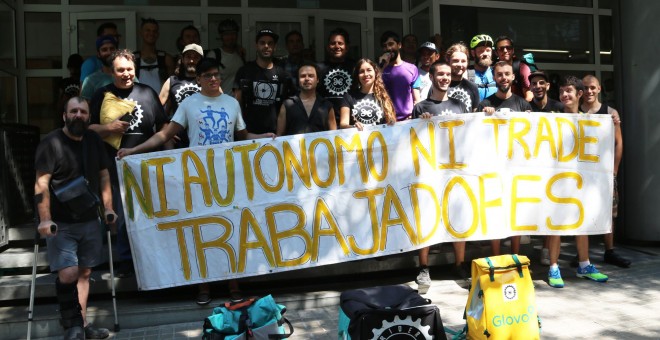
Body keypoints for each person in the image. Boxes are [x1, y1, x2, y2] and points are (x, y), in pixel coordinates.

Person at [117, 58, 275, 304]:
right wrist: (133, 151)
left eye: (216, 74)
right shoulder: (189, 104)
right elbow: (164, 134)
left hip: (228, 179)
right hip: (198, 180)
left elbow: (243, 136)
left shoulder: (232, 103)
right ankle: (204, 287)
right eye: (208, 75)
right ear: (199, 79)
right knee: (201, 230)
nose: (213, 79)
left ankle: (233, 284)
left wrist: (264, 137)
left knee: (231, 229)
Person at [35, 96, 116, 340]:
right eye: (73, 111)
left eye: (82, 111)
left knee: (84, 273)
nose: (78, 115)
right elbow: (41, 183)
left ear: (89, 117)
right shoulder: (51, 143)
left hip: (90, 218)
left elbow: (103, 176)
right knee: (68, 273)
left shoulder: (93, 140)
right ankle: (71, 325)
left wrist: (109, 207)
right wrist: (45, 219)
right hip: (61, 222)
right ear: (64, 115)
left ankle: (81, 324)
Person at [89, 49, 168, 278]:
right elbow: (89, 129)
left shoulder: (147, 92)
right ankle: (126, 263)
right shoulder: (101, 94)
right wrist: (108, 128)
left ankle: (152, 261)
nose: (126, 74)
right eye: (120, 70)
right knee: (123, 217)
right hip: (113, 167)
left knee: (150, 214)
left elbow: (162, 126)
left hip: (147, 166)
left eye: (130, 69)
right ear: (111, 72)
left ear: (136, 69)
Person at [546, 75, 610, 288]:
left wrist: (614, 124)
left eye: (569, 91)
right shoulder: (551, 117)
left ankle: (584, 265)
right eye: (562, 91)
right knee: (555, 225)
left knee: (582, 223)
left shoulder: (591, 121)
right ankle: (553, 267)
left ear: (579, 94)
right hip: (556, 181)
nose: (565, 95)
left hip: (581, 181)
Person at [411, 61, 469, 287]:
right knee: (426, 217)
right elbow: (412, 139)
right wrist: (421, 124)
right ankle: (423, 267)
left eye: (447, 74)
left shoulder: (460, 106)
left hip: (455, 169)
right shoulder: (420, 107)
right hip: (429, 170)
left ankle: (459, 264)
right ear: (432, 77)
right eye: (440, 74)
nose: (445, 77)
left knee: (458, 216)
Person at [477, 61, 532, 257]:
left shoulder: (523, 104)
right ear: (494, 77)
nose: (504, 78)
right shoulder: (485, 104)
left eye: (507, 74)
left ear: (513, 77)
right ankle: (496, 257)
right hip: (493, 168)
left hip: (517, 168)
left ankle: (515, 257)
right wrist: (484, 117)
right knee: (495, 215)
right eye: (499, 75)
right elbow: (477, 137)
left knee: (515, 214)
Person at [580, 74, 630, 268]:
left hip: (605, 172)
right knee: (583, 210)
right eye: (585, 88)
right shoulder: (575, 112)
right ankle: (582, 253)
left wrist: (614, 171)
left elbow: (618, 143)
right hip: (582, 172)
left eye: (593, 87)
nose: (589, 91)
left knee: (609, 212)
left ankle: (609, 251)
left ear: (599, 89)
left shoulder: (610, 112)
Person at [234, 29, 293, 134]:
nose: (266, 46)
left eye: (270, 43)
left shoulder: (283, 75)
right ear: (256, 45)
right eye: (262, 43)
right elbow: (237, 103)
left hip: (274, 135)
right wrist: (242, 132)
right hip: (249, 134)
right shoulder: (244, 71)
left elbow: (285, 107)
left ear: (275, 47)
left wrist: (279, 135)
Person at [277, 62, 337, 136]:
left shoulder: (327, 105)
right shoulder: (287, 105)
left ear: (317, 80)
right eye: (303, 76)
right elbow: (279, 136)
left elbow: (334, 135)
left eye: (311, 76)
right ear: (298, 80)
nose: (307, 79)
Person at [339, 58, 396, 130]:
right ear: (357, 76)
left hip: (379, 139)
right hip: (356, 139)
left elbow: (392, 122)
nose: (366, 74)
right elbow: (343, 124)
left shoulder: (383, 96)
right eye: (361, 72)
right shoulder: (348, 96)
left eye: (369, 70)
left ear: (375, 72)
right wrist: (353, 127)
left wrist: (392, 122)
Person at [379, 31, 421, 121]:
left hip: (408, 120)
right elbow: (375, 92)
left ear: (399, 45)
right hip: (387, 121)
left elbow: (417, 99)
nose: (388, 48)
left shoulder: (412, 68)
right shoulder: (379, 69)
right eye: (384, 46)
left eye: (391, 44)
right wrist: (381, 67)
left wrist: (415, 116)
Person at [318, 28, 356, 124]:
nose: (337, 46)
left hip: (350, 122)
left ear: (347, 47)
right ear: (327, 47)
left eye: (340, 43)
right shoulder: (319, 68)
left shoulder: (355, 67)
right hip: (324, 122)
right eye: (333, 43)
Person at [134, 18, 175, 93]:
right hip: (137, 102)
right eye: (148, 30)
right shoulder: (132, 58)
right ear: (141, 32)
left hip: (161, 103)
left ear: (158, 34)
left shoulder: (166, 59)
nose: (151, 33)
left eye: (154, 31)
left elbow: (173, 86)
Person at [207, 19, 246, 96]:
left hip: (237, 103)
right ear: (221, 36)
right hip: (219, 102)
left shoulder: (240, 54)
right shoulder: (214, 55)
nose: (230, 37)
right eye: (226, 34)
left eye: (233, 34)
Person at [80, 35, 119, 100]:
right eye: (104, 50)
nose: (109, 52)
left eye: (112, 49)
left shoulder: (127, 75)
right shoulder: (90, 80)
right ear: (98, 54)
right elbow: (84, 106)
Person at [494, 36, 532, 101]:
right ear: (496, 52)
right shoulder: (492, 69)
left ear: (513, 50)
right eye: (501, 48)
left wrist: (520, 108)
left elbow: (529, 94)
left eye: (508, 48)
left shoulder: (522, 68)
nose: (505, 51)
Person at [445, 42, 479, 112]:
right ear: (448, 61)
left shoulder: (473, 87)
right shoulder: (439, 86)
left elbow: (476, 114)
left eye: (463, 61)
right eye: (456, 61)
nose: (460, 65)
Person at [468, 34, 496, 101]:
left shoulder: (497, 72)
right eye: (481, 51)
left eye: (488, 50)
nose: (485, 54)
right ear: (473, 53)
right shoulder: (466, 73)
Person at [58, 54, 84, 118]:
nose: (73, 70)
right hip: (66, 119)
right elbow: (58, 106)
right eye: (71, 67)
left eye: (76, 67)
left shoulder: (85, 82)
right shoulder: (64, 82)